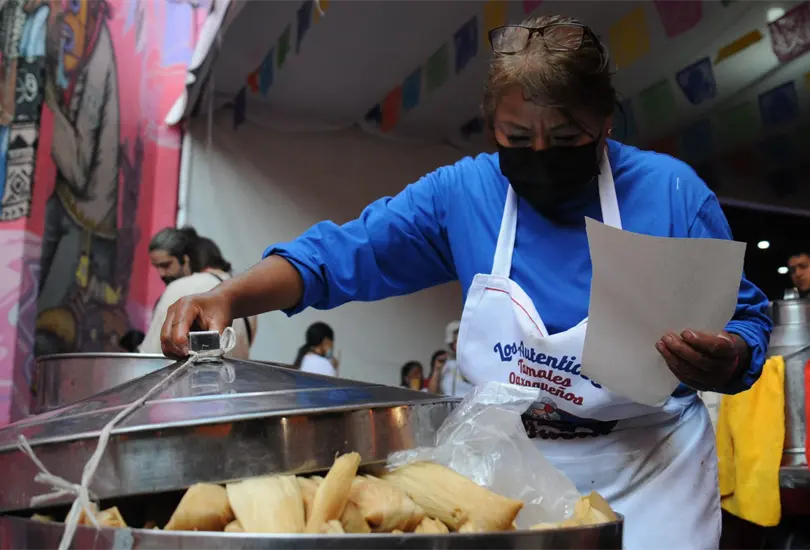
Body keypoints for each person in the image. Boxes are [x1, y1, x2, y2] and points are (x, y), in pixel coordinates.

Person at [160, 14, 771, 549]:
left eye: (565, 139)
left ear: (606, 121)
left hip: (651, 471)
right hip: (511, 467)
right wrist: (229, 295)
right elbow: (338, 255)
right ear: (490, 125)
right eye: (516, 137)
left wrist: (731, 357)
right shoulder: (466, 195)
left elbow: (746, 316)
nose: (539, 153)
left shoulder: (668, 194)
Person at [141, 234, 256, 359]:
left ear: (186, 260)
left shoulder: (181, 288)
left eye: (166, 265)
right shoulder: (245, 294)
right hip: (233, 376)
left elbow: (150, 354)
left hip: (186, 377)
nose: (161, 274)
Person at [439, 320, 475, 397]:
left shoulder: (475, 363)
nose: (459, 344)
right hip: (449, 406)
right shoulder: (445, 363)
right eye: (456, 341)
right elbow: (432, 392)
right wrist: (436, 371)